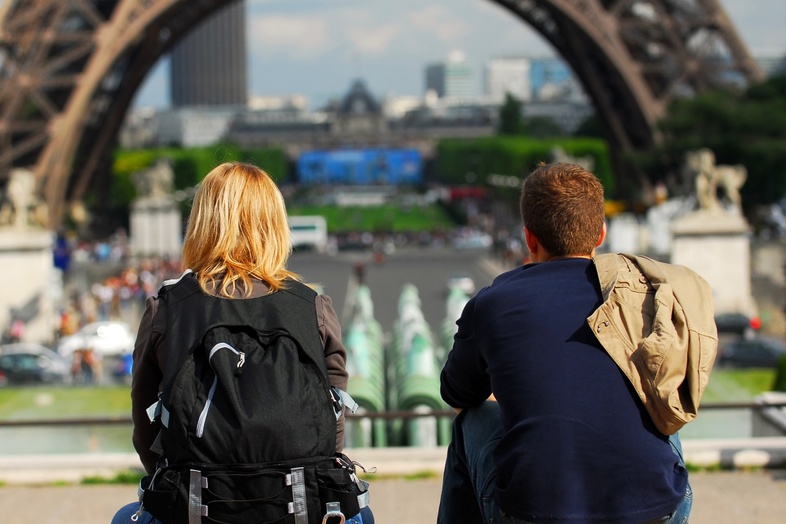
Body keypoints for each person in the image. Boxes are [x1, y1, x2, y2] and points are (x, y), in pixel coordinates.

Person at [438, 162, 718, 524]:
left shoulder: (493, 302)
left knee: (471, 423)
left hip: (535, 513)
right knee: (655, 409)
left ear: (529, 238)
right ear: (601, 234)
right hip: (658, 508)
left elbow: (457, 394)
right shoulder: (638, 294)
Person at [113, 162, 372, 524]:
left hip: (196, 504)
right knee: (361, 512)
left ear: (202, 224)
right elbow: (333, 427)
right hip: (298, 504)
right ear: (275, 224)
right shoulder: (313, 307)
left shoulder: (166, 309)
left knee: (125, 517)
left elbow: (145, 429)